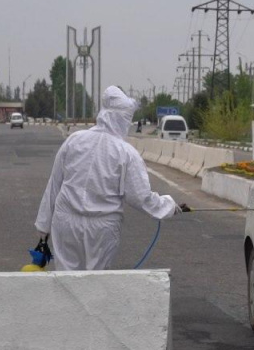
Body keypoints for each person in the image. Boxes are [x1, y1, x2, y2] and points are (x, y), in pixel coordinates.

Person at [35, 86, 184, 270]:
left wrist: (43, 226)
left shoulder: (74, 140)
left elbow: (54, 184)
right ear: (122, 118)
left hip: (65, 221)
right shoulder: (126, 152)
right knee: (97, 281)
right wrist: (168, 206)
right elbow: (141, 197)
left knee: (66, 278)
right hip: (102, 228)